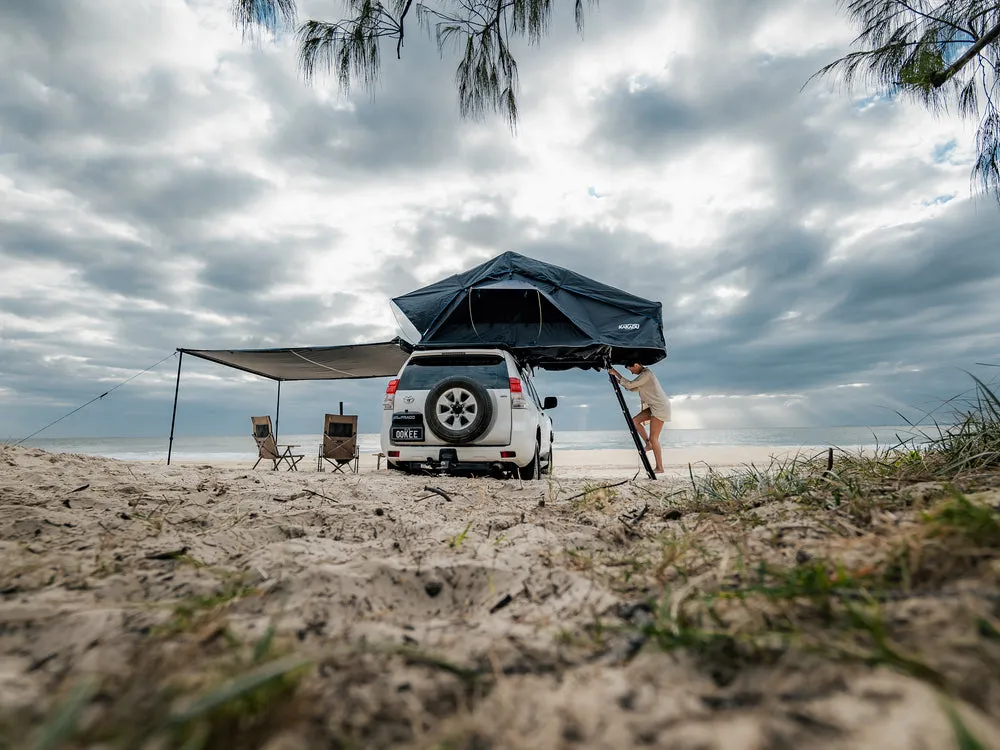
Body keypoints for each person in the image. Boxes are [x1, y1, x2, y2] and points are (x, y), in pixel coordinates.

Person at [608, 361, 671, 473]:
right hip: (653, 406)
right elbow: (633, 388)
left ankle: (660, 467)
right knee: (635, 421)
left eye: (631, 370)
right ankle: (648, 444)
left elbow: (630, 385)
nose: (631, 373)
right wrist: (618, 381)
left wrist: (616, 373)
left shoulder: (646, 374)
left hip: (660, 407)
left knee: (654, 438)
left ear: (636, 365)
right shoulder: (643, 376)